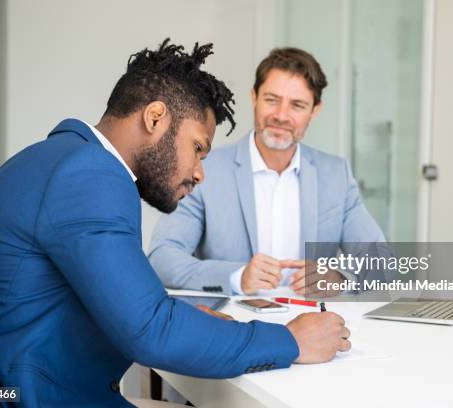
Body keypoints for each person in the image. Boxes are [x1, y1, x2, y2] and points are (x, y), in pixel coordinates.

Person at [0, 40, 350, 407]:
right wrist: (291, 340)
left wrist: (185, 319)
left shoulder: (57, 160)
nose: (198, 173)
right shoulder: (90, 174)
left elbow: (116, 306)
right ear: (156, 117)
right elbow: (151, 331)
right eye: (197, 149)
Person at [148, 47, 386, 296]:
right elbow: (162, 257)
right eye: (272, 100)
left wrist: (339, 278)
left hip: (314, 323)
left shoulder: (335, 174)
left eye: (297, 105)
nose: (281, 116)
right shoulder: (204, 169)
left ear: (314, 111)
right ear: (254, 98)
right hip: (234, 326)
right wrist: (237, 277)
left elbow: (380, 263)